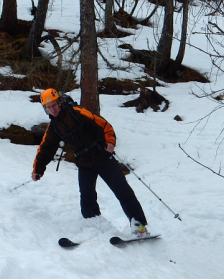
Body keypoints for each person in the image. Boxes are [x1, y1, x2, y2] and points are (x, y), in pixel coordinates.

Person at [32, 88, 149, 237]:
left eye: (54, 105)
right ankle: (94, 226)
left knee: (122, 190)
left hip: (102, 157)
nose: (52, 109)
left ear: (59, 102)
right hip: (84, 163)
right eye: (48, 107)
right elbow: (46, 149)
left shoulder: (77, 112)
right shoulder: (53, 127)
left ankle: (139, 226)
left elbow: (104, 126)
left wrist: (110, 142)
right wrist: (38, 169)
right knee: (87, 196)